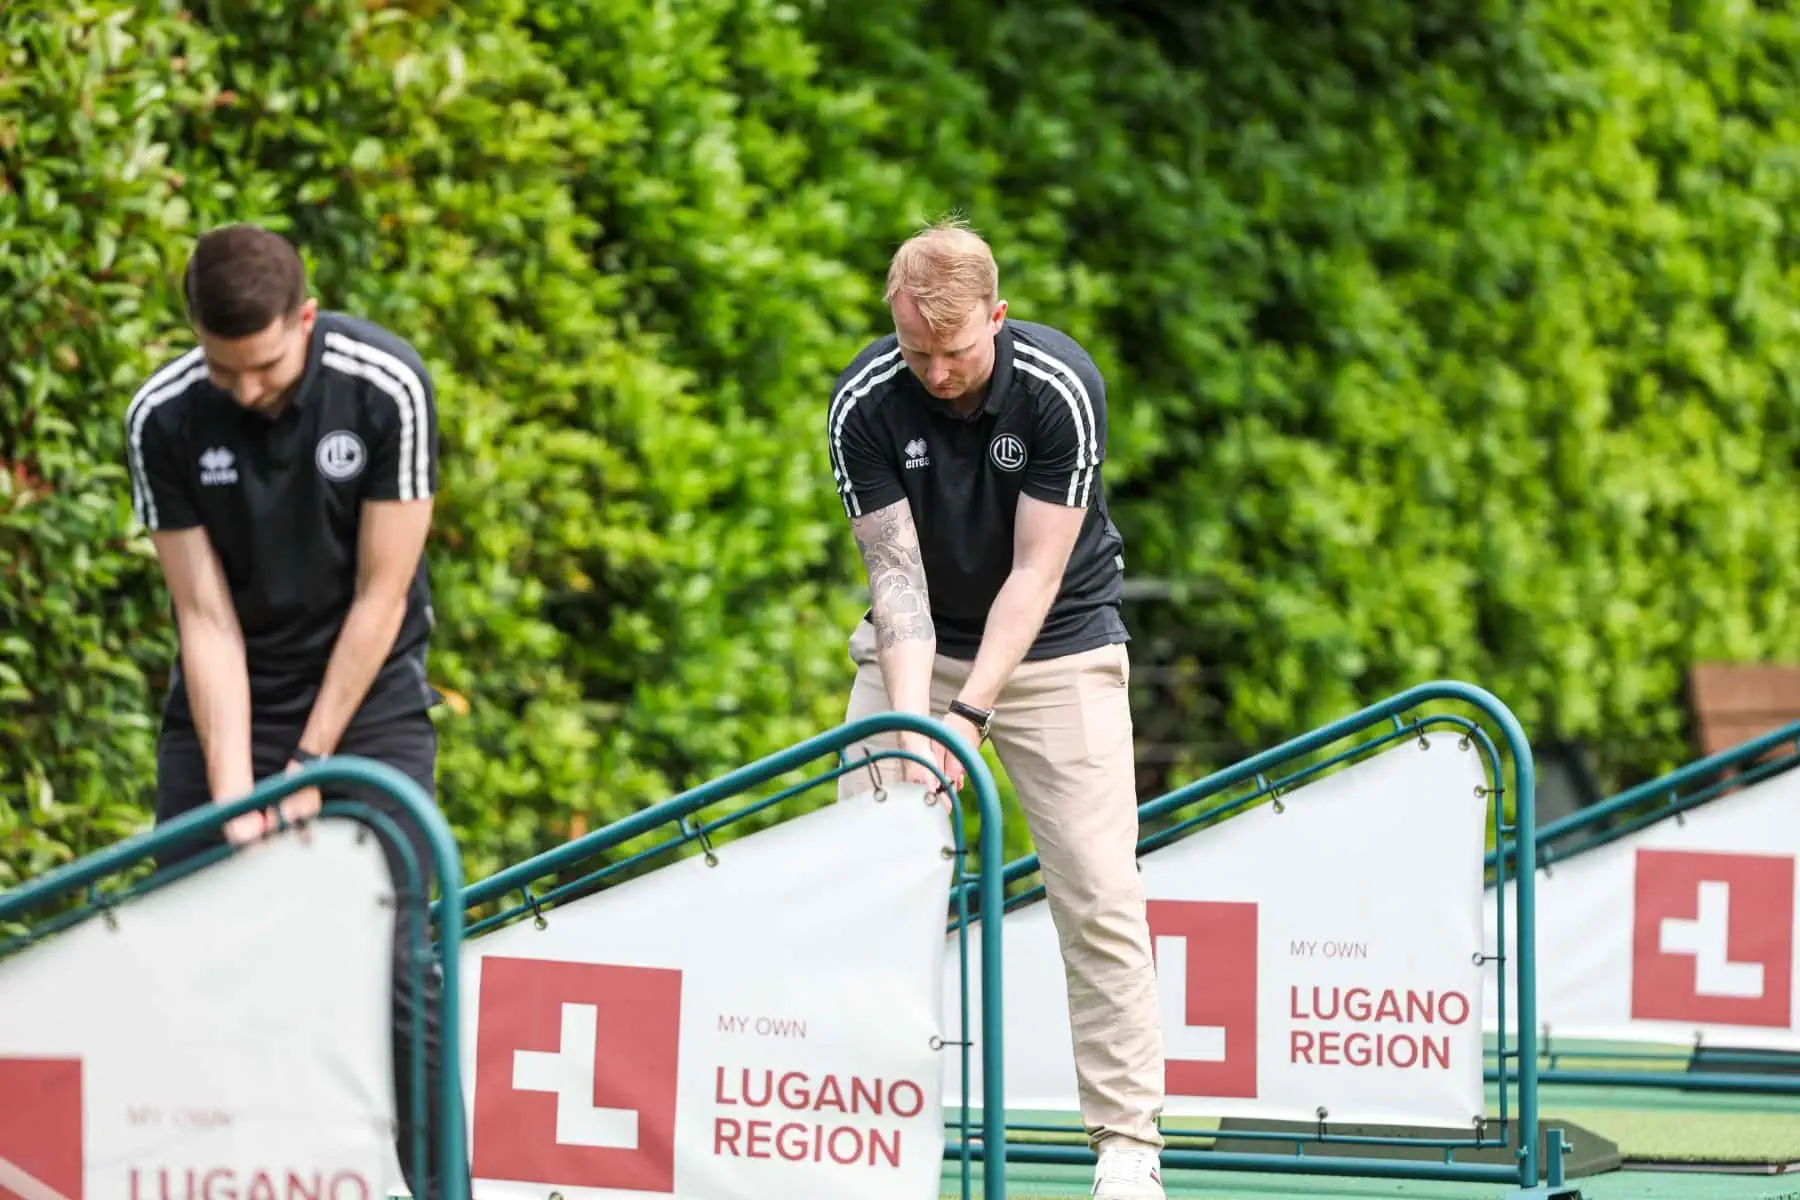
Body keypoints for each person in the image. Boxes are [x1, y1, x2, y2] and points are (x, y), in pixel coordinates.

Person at [123, 223, 467, 1198]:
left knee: (396, 970)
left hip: (368, 707)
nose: (243, 391)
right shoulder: (163, 416)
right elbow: (204, 618)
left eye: (265, 366)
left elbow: (381, 597)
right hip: (227, 706)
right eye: (222, 368)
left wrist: (311, 765)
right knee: (192, 963)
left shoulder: (385, 386)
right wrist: (238, 795)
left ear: (306, 319)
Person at [827, 218, 1167, 1199]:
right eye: (916, 352)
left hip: (1059, 645)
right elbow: (897, 583)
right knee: (864, 879)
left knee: (1099, 890)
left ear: (998, 316)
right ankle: (865, 1130)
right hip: (919, 644)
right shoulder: (865, 401)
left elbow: (1035, 574)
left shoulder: (1060, 387)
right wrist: (910, 730)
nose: (936, 374)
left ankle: (1128, 1146)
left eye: (956, 351)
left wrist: (967, 719)